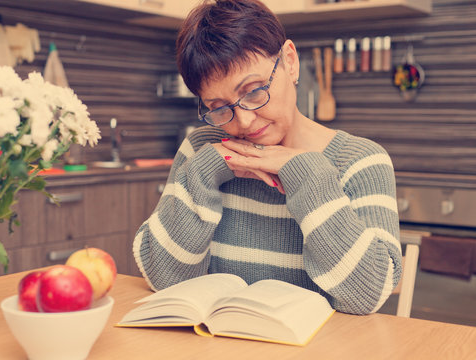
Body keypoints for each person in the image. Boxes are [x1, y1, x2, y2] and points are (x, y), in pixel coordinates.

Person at [132, 0, 401, 315]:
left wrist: (307, 177)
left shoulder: (362, 162)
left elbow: (366, 295)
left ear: (290, 61)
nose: (244, 122)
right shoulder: (201, 150)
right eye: (219, 108)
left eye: (254, 91)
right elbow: (164, 279)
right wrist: (202, 173)